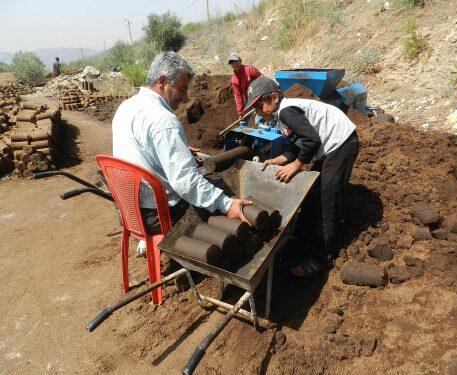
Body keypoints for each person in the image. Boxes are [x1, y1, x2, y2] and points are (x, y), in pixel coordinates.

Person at [112, 51, 251, 235]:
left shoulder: (127, 106)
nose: (186, 97)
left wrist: (179, 150)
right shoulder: (163, 120)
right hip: (157, 215)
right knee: (221, 188)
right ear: (162, 81)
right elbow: (185, 182)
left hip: (129, 210)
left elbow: (140, 148)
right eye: (183, 89)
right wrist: (226, 205)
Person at [244, 77, 360, 277]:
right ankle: (305, 239)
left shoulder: (287, 111)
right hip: (328, 148)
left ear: (273, 97)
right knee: (312, 193)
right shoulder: (281, 118)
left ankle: (322, 257)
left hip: (341, 143)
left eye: (259, 105)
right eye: (254, 108)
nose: (258, 112)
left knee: (327, 199)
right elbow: (295, 148)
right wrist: (277, 161)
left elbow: (312, 140)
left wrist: (297, 166)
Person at [228, 53, 262, 125]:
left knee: (260, 119)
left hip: (259, 96)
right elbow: (238, 96)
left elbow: (262, 80)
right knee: (243, 120)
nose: (235, 64)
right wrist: (240, 112)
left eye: (236, 61)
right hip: (248, 99)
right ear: (231, 65)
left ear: (240, 61)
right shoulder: (234, 79)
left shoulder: (250, 69)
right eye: (232, 63)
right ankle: (242, 133)